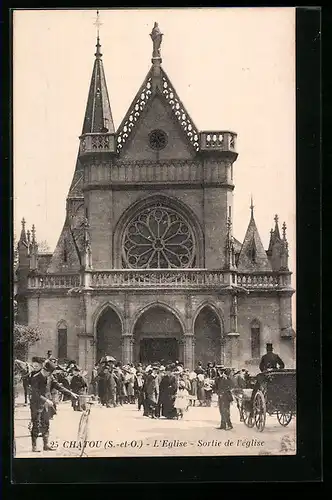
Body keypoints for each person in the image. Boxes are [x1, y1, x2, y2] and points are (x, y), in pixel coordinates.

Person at [29, 360, 78, 452]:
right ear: (46, 370)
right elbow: (35, 393)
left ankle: (46, 445)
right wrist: (46, 400)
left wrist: (71, 393)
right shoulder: (35, 378)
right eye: (50, 372)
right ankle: (34, 446)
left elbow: (58, 386)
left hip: (47, 405)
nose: (51, 374)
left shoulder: (50, 377)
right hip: (37, 405)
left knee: (46, 424)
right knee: (36, 424)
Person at [215, 366, 234, 430]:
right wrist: (218, 392)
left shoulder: (227, 378)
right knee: (221, 411)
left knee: (226, 411)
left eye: (221, 371)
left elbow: (231, 386)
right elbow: (216, 387)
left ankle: (229, 425)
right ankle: (223, 425)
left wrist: (223, 392)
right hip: (220, 396)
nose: (220, 372)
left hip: (226, 397)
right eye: (219, 371)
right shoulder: (218, 378)